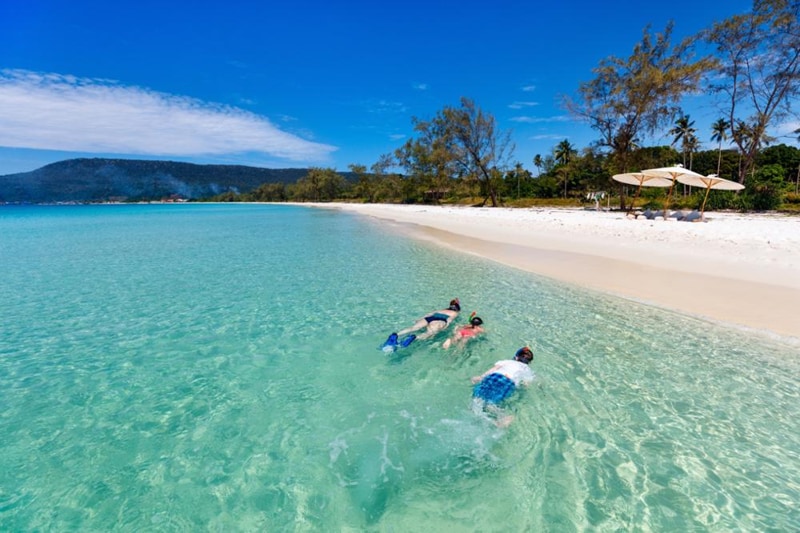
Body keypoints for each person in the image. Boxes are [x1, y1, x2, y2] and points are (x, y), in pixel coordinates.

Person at [470, 346, 535, 427]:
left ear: (516, 357)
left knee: (477, 400)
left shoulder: (507, 361)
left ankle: (492, 419)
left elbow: (493, 369)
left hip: (494, 377)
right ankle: (502, 416)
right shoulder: (527, 369)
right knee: (491, 403)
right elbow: (526, 384)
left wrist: (480, 377)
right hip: (508, 383)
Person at [382, 298, 461, 351]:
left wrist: (420, 319)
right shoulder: (455, 313)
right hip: (441, 320)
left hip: (430, 318)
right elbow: (449, 319)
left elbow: (429, 314)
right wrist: (446, 326)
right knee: (429, 334)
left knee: (413, 328)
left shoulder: (442, 310)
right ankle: (414, 337)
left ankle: (396, 335)